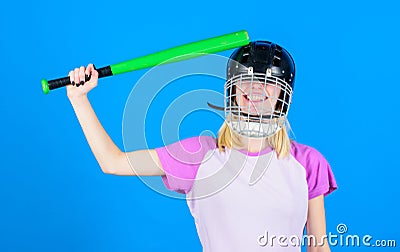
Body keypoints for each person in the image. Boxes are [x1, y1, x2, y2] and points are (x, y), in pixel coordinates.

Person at [67, 40, 337, 252]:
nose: (256, 90)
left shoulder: (307, 163)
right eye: (247, 81)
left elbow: (318, 243)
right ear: (232, 91)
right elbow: (113, 162)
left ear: (282, 95)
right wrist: (79, 99)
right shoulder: (200, 155)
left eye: (267, 84)